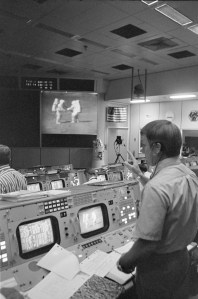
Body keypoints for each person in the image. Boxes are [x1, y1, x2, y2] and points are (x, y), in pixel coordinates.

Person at [117, 120, 198, 299]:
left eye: (144, 145)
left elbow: (147, 244)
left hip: (158, 270)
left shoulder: (156, 188)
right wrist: (140, 175)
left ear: (157, 147)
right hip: (182, 259)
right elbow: (172, 196)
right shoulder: (189, 174)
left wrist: (125, 261)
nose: (143, 150)